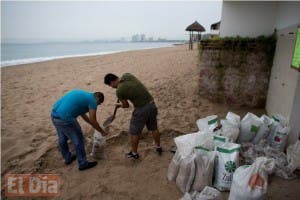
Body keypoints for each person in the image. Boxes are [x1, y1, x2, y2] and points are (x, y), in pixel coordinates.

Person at [104, 73, 162, 159]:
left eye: (110, 85)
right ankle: (158, 147)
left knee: (134, 132)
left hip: (141, 109)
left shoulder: (119, 91)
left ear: (112, 82)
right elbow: (132, 88)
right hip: (151, 104)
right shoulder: (127, 75)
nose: (112, 87)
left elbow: (126, 105)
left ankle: (134, 153)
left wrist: (119, 105)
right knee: (154, 128)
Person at [51, 89, 107, 171]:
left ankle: (67, 158)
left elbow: (83, 114)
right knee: (79, 139)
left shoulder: (84, 95)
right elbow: (93, 120)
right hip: (65, 119)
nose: (97, 105)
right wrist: (102, 131)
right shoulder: (93, 101)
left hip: (54, 114)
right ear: (98, 100)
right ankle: (83, 163)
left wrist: (92, 124)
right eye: (98, 104)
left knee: (62, 138)